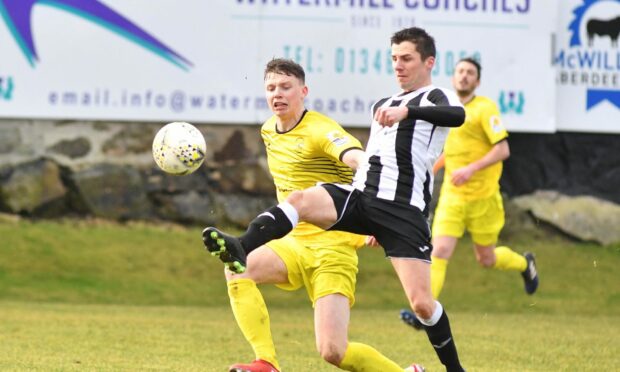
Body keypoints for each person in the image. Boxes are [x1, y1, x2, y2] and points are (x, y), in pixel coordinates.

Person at [204, 28, 466, 372]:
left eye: (406, 59)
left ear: (428, 61)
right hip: (363, 197)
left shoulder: (436, 97)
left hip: (402, 211)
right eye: (394, 59)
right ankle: (242, 246)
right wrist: (362, 203)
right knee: (300, 201)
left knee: (420, 306)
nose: (398, 66)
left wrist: (408, 114)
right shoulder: (382, 105)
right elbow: (371, 157)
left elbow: (457, 116)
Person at [400, 57, 539, 330]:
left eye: (470, 73)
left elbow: (503, 150)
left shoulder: (485, 109)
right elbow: (449, 151)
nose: (464, 76)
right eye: (460, 71)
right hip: (453, 197)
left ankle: (524, 264)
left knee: (486, 259)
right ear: (453, 78)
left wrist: (471, 169)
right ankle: (424, 311)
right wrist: (430, 168)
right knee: (438, 251)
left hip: (484, 198)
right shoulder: (447, 109)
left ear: (477, 81)